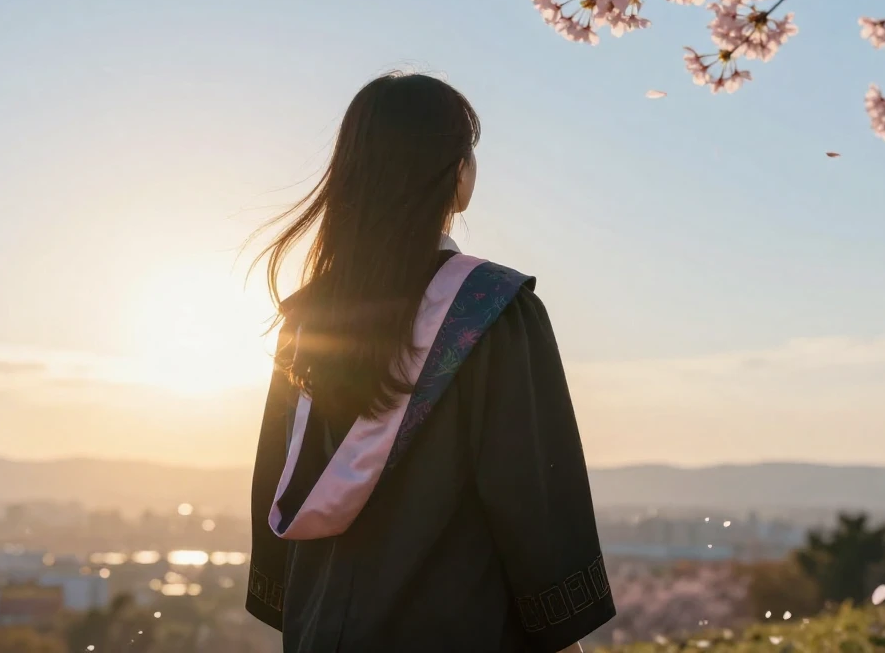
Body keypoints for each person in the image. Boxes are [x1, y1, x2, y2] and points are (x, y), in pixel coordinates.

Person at [245, 73, 615, 653]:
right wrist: (561, 631)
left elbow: (279, 482)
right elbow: (532, 497)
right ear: (457, 175)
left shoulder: (307, 322)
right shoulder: (495, 312)